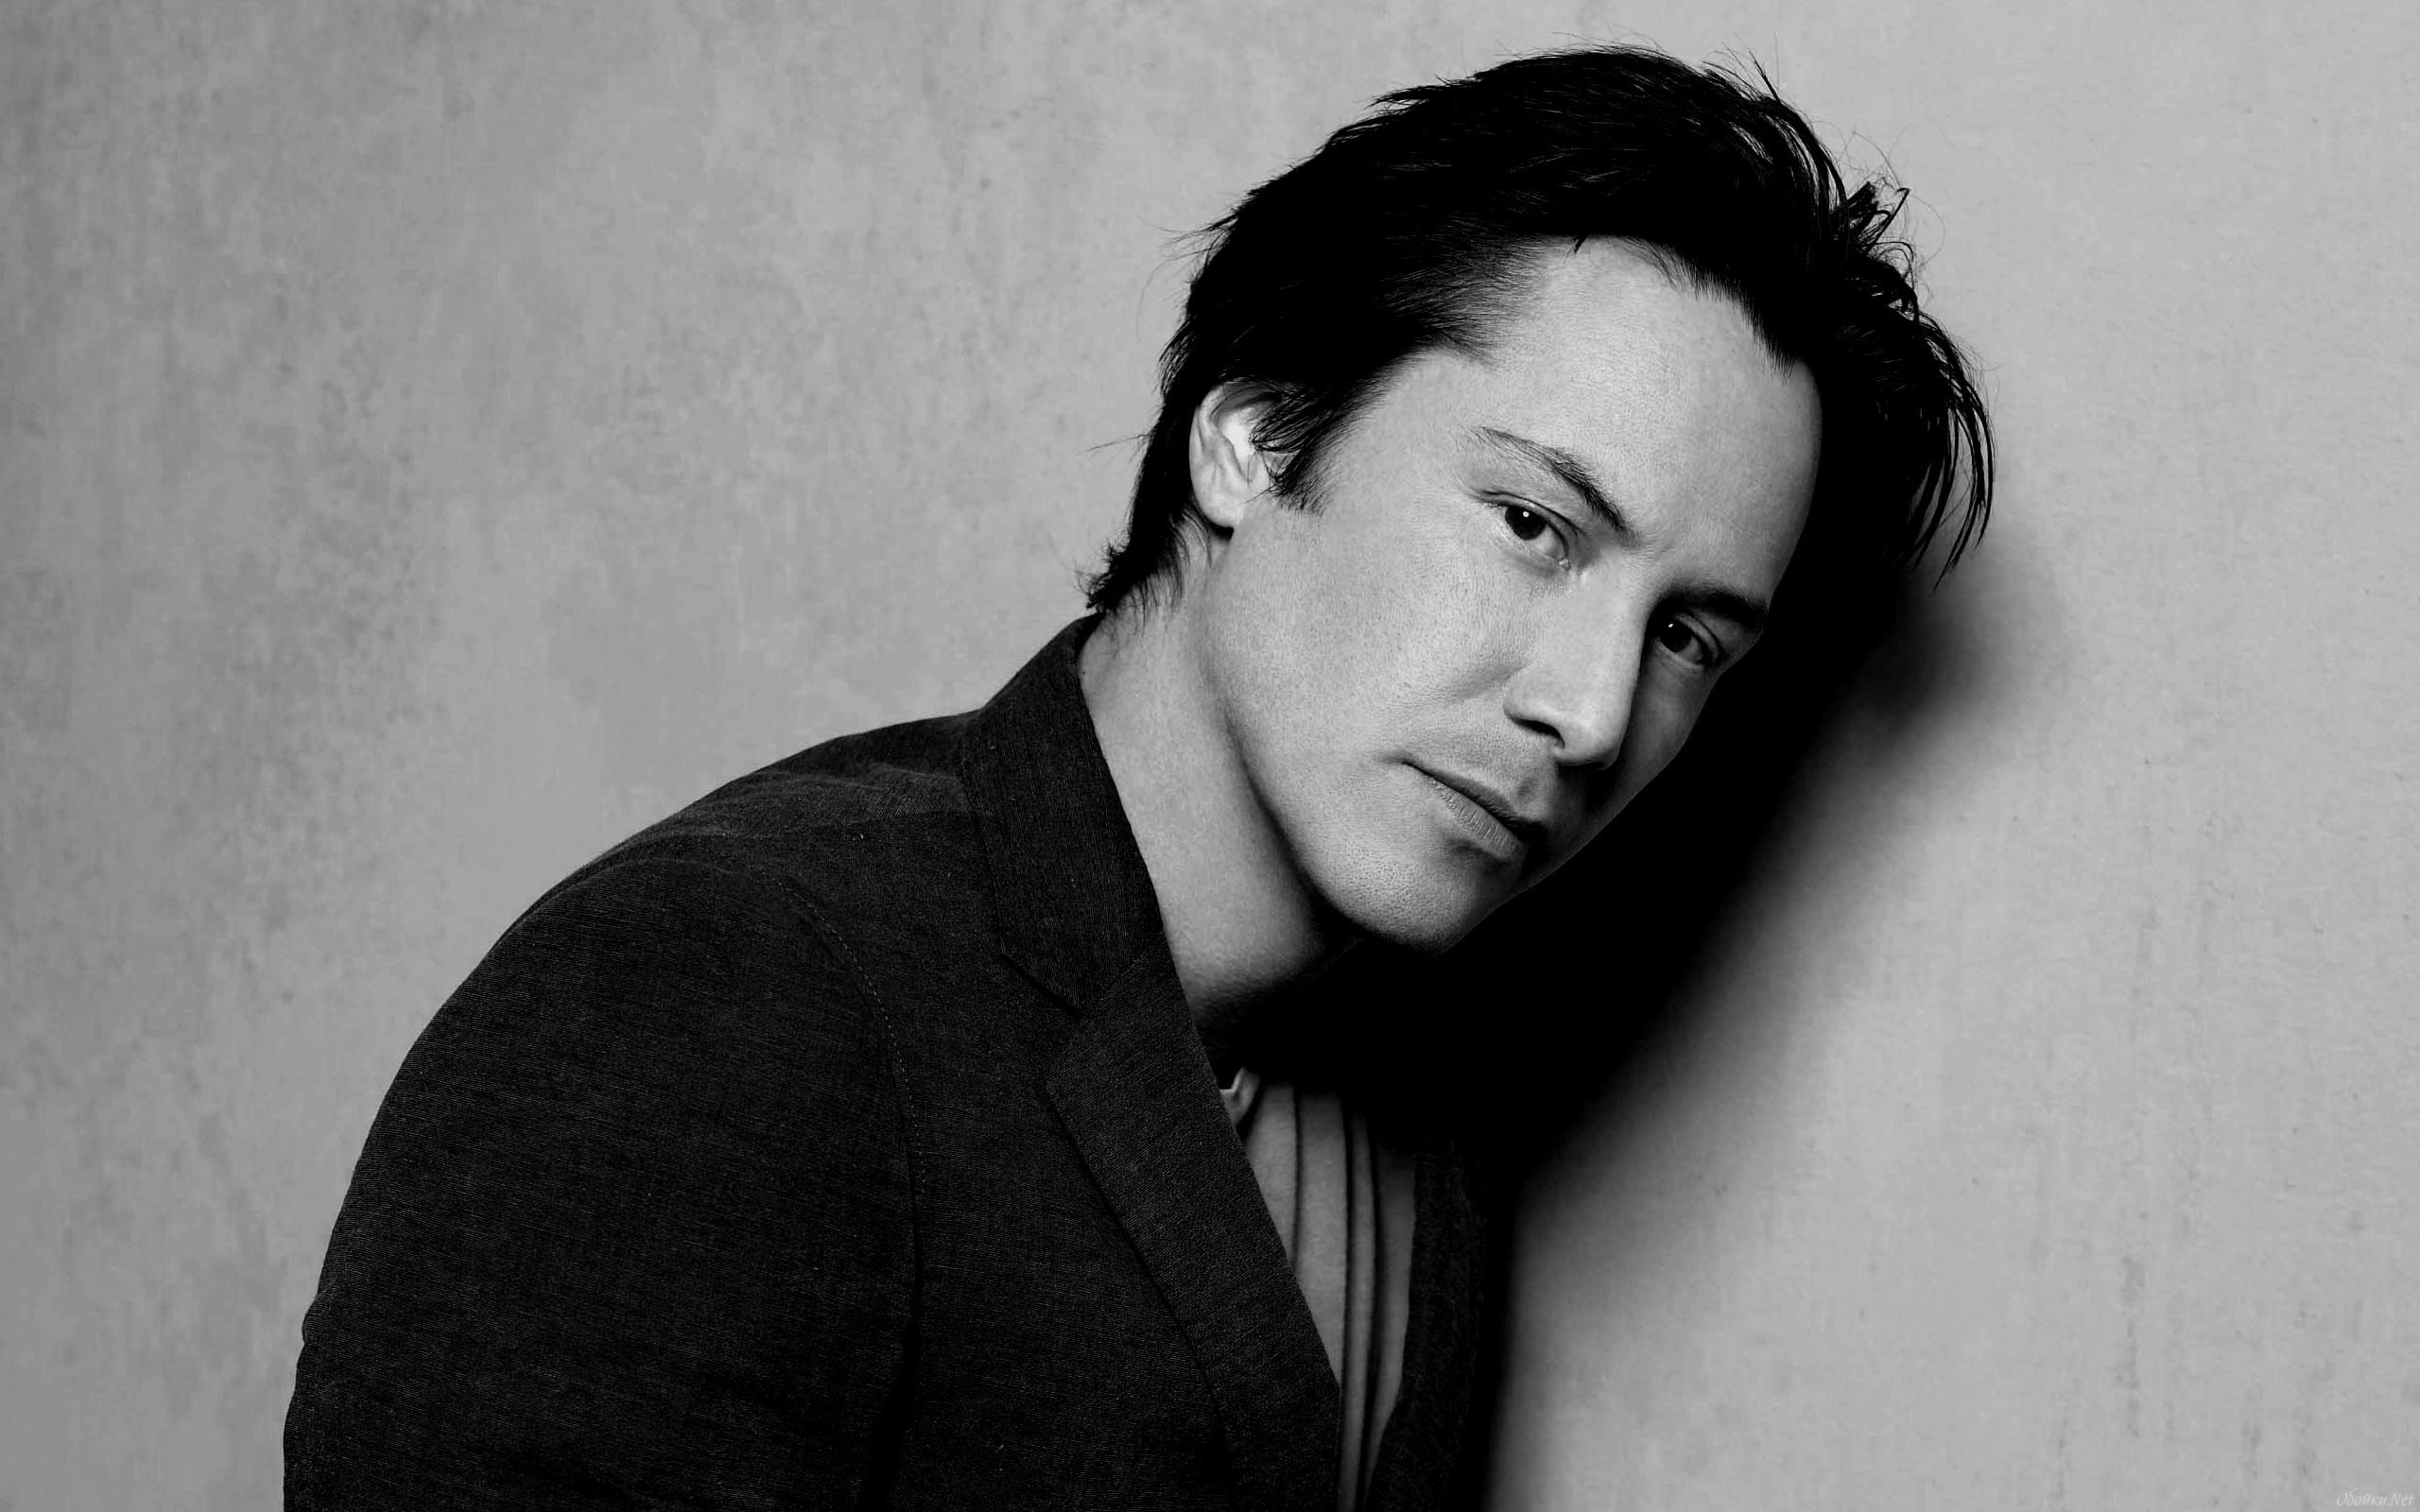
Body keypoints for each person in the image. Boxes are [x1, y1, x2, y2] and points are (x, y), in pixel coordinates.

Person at [285, 43, 1991, 1511]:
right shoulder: (731, 989)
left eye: (1688, 635)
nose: (1595, 713)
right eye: (1534, 526)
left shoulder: (1425, 1084)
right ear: (1252, 439)